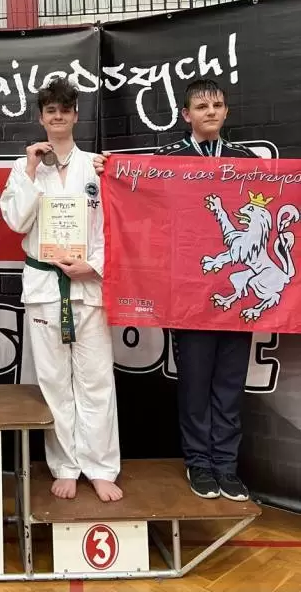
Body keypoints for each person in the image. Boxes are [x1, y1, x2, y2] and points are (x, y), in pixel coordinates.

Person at [94, 78, 254, 502]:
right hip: (188, 294)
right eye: (201, 107)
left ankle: (227, 466)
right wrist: (112, 171)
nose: (210, 112)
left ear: (226, 111)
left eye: (217, 105)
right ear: (186, 115)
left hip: (237, 292)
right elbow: (136, 198)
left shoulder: (246, 162)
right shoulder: (169, 161)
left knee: (230, 385)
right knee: (195, 385)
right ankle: (199, 463)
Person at [0, 77, 122, 502]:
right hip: (44, 287)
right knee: (53, 381)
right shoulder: (24, 168)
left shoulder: (96, 167)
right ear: (41, 117)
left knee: (96, 379)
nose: (57, 117)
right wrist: (31, 170)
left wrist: (95, 266)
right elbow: (16, 222)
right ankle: (66, 465)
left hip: (88, 284)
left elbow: (112, 226)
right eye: (50, 110)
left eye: (64, 110)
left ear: (75, 115)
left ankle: (101, 466)